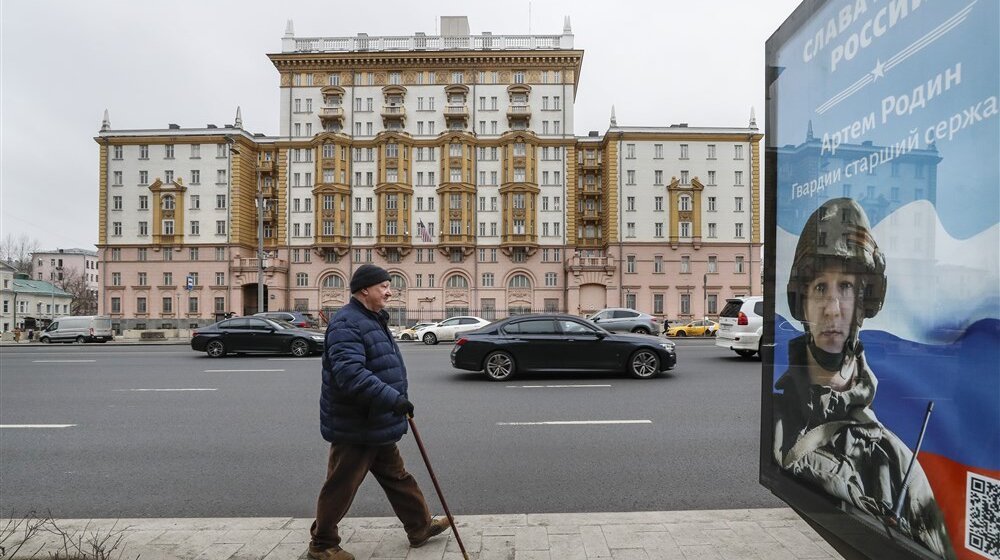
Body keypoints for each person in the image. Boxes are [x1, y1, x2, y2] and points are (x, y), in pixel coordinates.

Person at [773, 198, 954, 559]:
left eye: (846, 288)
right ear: (803, 301)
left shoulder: (896, 463)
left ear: (862, 301)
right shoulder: (775, 420)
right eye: (820, 287)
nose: (832, 307)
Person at [309, 264, 449, 560]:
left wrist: (392, 401)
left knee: (397, 477)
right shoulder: (348, 322)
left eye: (390, 286)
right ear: (364, 290)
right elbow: (350, 373)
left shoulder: (370, 318)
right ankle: (321, 544)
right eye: (384, 286)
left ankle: (420, 526)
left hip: (376, 420)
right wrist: (392, 399)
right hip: (357, 423)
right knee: (341, 484)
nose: (389, 292)